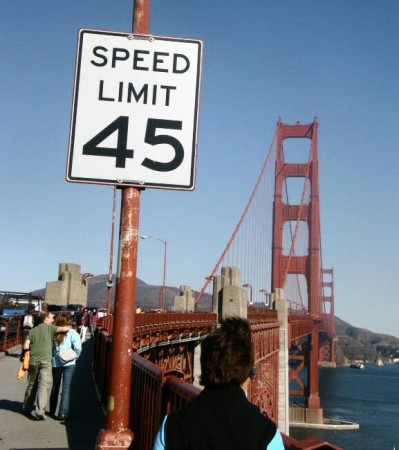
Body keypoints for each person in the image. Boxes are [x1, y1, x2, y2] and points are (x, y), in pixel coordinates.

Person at [153, 316, 284, 450]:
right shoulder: (268, 435)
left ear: (205, 369)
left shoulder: (170, 427)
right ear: (246, 376)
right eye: (252, 372)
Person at [22, 311, 71, 420]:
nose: (53, 320)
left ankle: (27, 408)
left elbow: (25, 346)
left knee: (31, 385)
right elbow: (65, 329)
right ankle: (40, 410)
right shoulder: (50, 329)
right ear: (46, 319)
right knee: (43, 386)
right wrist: (68, 323)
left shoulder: (33, 331)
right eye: (51, 318)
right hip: (46, 361)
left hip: (33, 361)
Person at [50, 313, 82, 420]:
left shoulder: (53, 332)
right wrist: (75, 356)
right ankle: (62, 413)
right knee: (66, 388)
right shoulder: (72, 332)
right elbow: (78, 347)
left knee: (55, 386)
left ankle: (52, 410)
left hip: (56, 361)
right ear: (68, 321)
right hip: (70, 362)